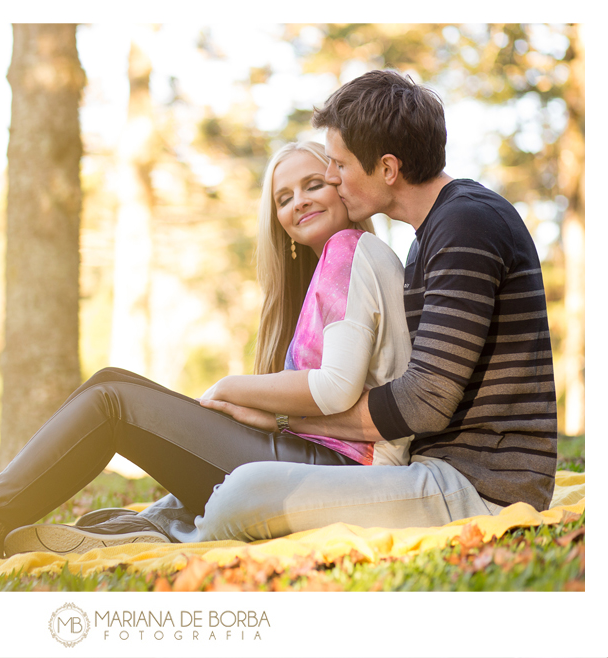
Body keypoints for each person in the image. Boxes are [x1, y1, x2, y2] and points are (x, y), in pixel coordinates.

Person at [0, 140, 412, 572]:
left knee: (111, 398)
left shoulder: (349, 251)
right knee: (112, 390)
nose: (300, 202)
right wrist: (260, 412)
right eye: (284, 197)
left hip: (336, 473)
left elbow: (335, 388)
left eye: (314, 184)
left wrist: (230, 389)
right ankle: (129, 525)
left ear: (344, 190)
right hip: (313, 460)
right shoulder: (338, 265)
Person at [191, 69, 557, 543]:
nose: (330, 177)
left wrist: (284, 418)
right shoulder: (431, 238)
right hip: (439, 474)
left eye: (339, 165)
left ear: (387, 169)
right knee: (242, 480)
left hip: (482, 488)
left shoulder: (466, 224)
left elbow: (422, 402)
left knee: (245, 493)